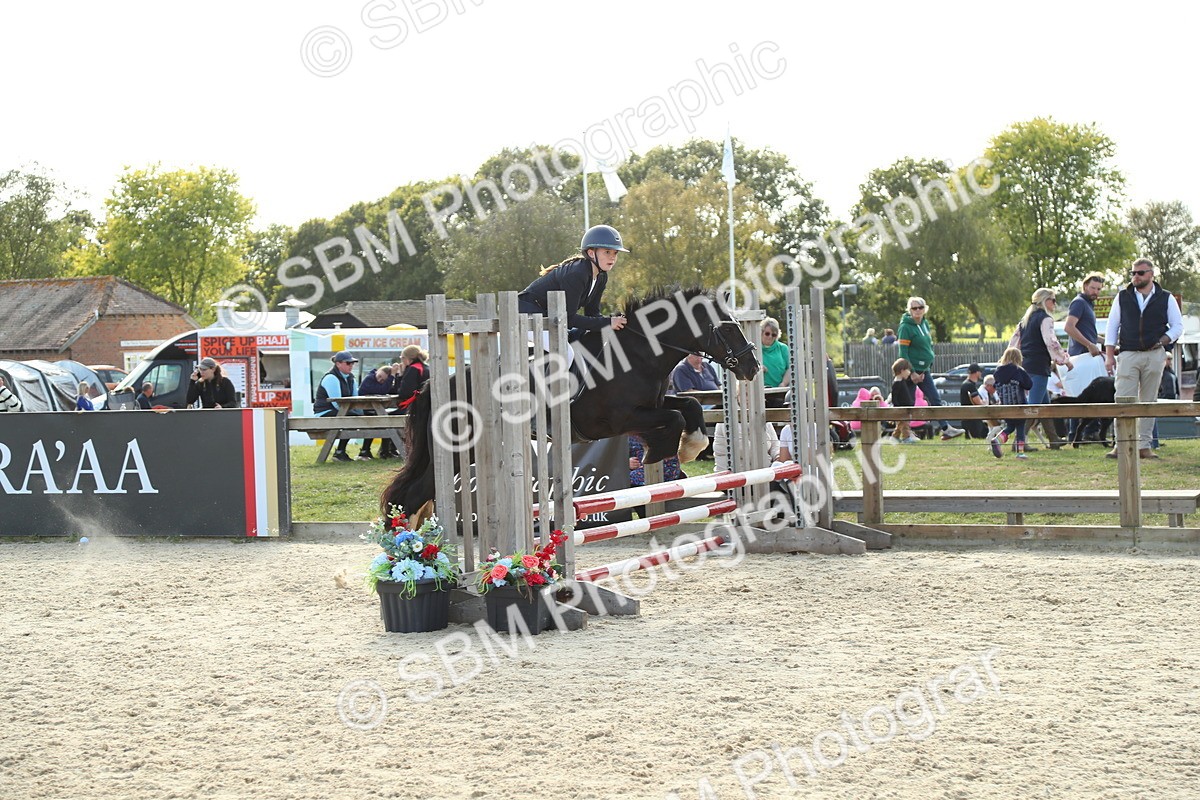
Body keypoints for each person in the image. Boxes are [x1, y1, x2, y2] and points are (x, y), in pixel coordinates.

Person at [1104, 258, 1183, 460]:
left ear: (1151, 274)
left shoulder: (1166, 298)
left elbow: (1177, 326)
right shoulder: (1123, 296)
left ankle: (1144, 445)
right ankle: (1120, 445)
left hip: (1154, 354)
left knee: (1149, 401)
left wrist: (1163, 340)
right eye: (1133, 273)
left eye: (1140, 273)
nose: (1135, 277)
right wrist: (1109, 356)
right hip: (1128, 352)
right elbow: (1112, 326)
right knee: (1122, 398)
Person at [517, 224, 628, 354]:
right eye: (607, 252)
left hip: (549, 319)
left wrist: (615, 321)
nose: (613, 257)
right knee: (566, 354)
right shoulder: (577, 273)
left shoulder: (601, 277)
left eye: (615, 252)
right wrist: (608, 322)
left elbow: (592, 313)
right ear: (591, 253)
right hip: (526, 315)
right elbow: (569, 318)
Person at [1010, 288, 1072, 450]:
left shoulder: (1025, 321)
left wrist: (1010, 362)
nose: (1055, 303)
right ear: (1045, 301)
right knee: (1033, 407)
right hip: (1038, 367)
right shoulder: (1045, 319)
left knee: (1045, 405)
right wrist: (1064, 360)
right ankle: (1018, 442)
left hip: (1025, 365)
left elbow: (1014, 343)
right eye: (1053, 299)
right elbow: (1051, 342)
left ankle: (1053, 439)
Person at [897, 296, 964, 440]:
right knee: (908, 403)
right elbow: (903, 353)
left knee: (935, 398)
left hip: (924, 370)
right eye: (914, 308)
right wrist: (913, 373)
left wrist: (927, 365)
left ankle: (946, 429)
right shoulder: (905, 327)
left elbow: (928, 345)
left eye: (920, 307)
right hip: (911, 371)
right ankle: (904, 434)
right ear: (909, 310)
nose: (917, 310)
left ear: (924, 309)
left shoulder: (925, 323)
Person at [1063, 274, 1105, 441]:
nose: (1095, 292)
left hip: (1088, 355)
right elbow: (1069, 327)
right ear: (1085, 286)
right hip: (1081, 356)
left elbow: (1090, 334)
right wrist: (1089, 344)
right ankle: (1078, 434)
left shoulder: (1088, 304)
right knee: (1081, 396)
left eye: (1099, 289)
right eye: (1093, 288)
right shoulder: (1079, 302)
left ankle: (1085, 433)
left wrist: (1108, 342)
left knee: (1088, 395)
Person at [315, 351, 363, 462]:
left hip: (339, 411)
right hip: (324, 412)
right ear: (338, 364)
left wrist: (359, 412)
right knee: (353, 418)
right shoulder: (331, 378)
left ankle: (352, 451)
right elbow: (337, 404)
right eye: (348, 363)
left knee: (366, 416)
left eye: (352, 363)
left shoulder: (351, 378)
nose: (351, 365)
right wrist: (354, 413)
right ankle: (340, 452)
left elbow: (355, 399)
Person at [988, 347, 1033, 459]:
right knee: (1020, 428)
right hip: (1019, 405)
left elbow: (995, 386)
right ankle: (1020, 452)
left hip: (1005, 406)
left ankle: (997, 440)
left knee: (1010, 426)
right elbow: (1029, 385)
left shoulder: (998, 372)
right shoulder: (1019, 371)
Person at [628, 435, 685, 519]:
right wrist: (626, 462)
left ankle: (649, 520)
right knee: (627, 482)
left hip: (662, 468)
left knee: (631, 483)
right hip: (637, 471)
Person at [357, 365, 394, 460]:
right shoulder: (369, 378)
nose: (379, 379)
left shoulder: (378, 380)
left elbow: (392, 390)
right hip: (363, 409)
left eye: (382, 380)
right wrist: (391, 377)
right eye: (379, 376)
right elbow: (382, 390)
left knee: (386, 420)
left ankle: (385, 450)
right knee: (379, 421)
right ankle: (366, 450)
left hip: (373, 409)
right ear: (377, 371)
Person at [760, 317, 790, 408]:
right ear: (761, 332)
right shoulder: (754, 347)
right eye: (767, 333)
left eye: (773, 335)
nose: (770, 337)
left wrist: (783, 383)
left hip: (779, 392)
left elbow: (791, 368)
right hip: (760, 392)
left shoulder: (783, 348)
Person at [888, 357, 918, 443]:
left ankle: (894, 437)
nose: (909, 372)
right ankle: (906, 438)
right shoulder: (897, 383)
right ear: (902, 370)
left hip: (906, 407)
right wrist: (897, 408)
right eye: (908, 370)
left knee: (901, 424)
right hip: (901, 409)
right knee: (905, 424)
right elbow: (895, 397)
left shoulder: (902, 381)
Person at [958, 364, 988, 439]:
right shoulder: (970, 386)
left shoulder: (966, 384)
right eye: (980, 371)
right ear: (977, 373)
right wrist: (984, 402)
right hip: (972, 420)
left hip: (968, 419)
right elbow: (977, 402)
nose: (981, 373)